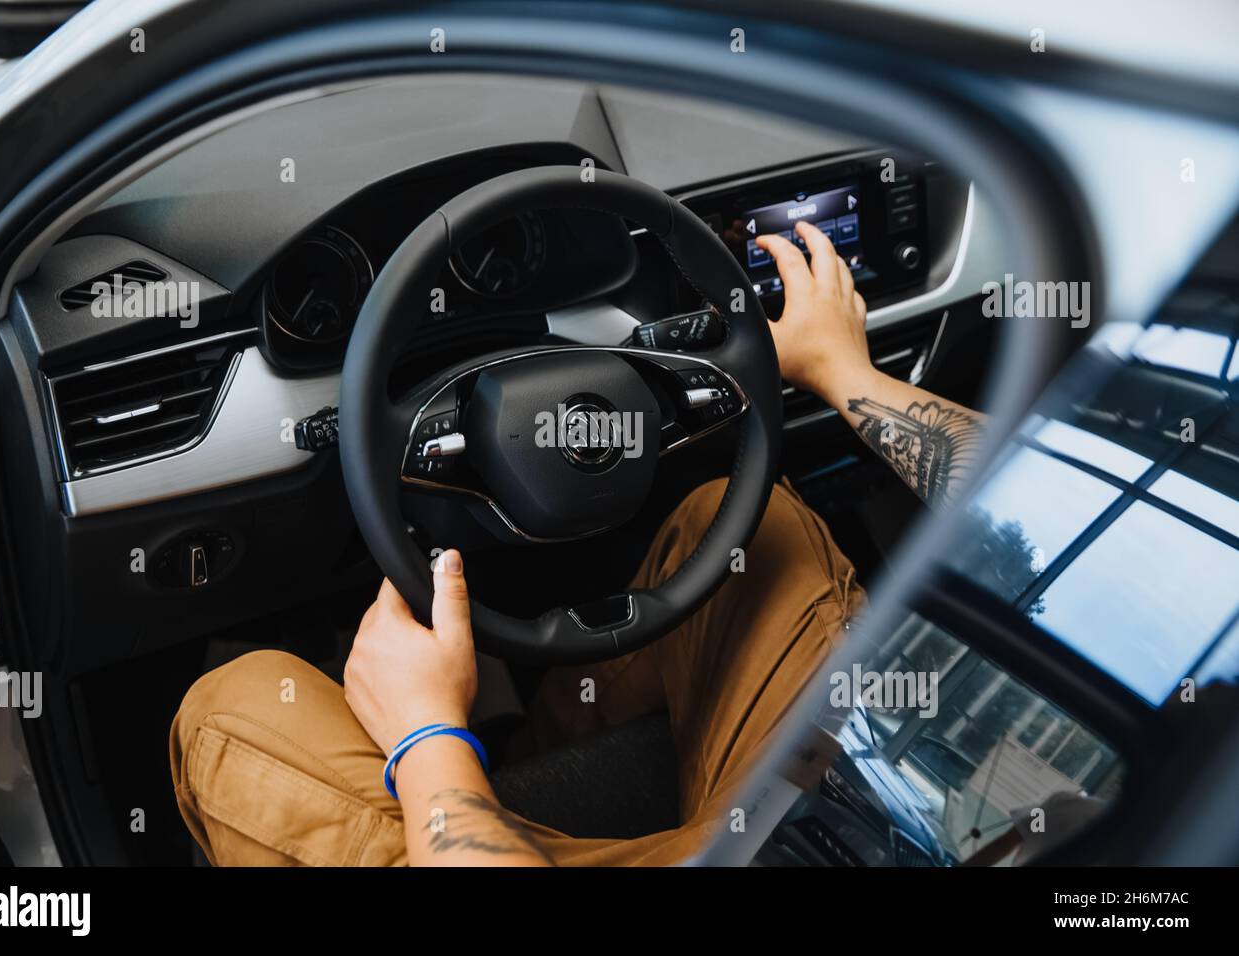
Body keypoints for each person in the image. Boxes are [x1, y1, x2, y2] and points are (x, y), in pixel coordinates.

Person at [169, 221, 987, 866]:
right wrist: (844, 371)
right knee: (744, 529)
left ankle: (486, 749)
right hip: (842, 834)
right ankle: (525, 738)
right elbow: (1045, 497)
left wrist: (427, 735)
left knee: (230, 711)